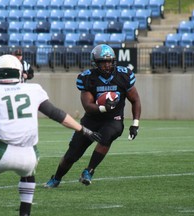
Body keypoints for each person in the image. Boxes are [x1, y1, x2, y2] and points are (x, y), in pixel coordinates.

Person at [0, 54, 101, 216]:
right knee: (27, 175)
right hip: (30, 154)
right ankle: (25, 213)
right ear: (19, 72)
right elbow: (57, 114)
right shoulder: (33, 90)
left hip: (3, 152)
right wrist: (84, 130)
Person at [43, 44, 141, 188]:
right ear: (95, 62)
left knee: (107, 135)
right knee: (72, 154)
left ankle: (89, 171)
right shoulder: (88, 78)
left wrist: (135, 124)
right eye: (103, 62)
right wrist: (103, 107)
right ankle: (56, 178)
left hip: (113, 119)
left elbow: (135, 100)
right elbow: (88, 105)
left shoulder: (123, 75)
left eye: (109, 61)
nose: (107, 65)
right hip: (91, 120)